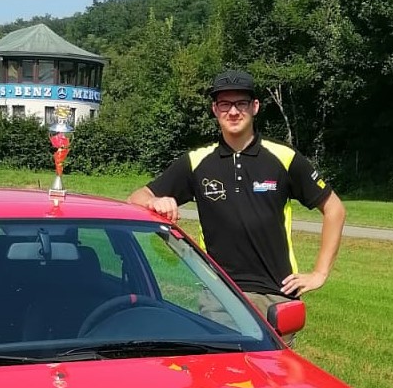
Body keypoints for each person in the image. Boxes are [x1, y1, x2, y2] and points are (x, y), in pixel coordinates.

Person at [127, 69, 346, 337]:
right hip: (220, 296)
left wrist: (320, 273)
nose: (233, 111)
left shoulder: (283, 158)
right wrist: (158, 201)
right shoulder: (197, 162)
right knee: (222, 376)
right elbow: (136, 198)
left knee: (274, 377)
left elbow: (334, 209)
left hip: (276, 296)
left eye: (241, 103)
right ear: (214, 109)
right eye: (224, 104)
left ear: (255, 107)